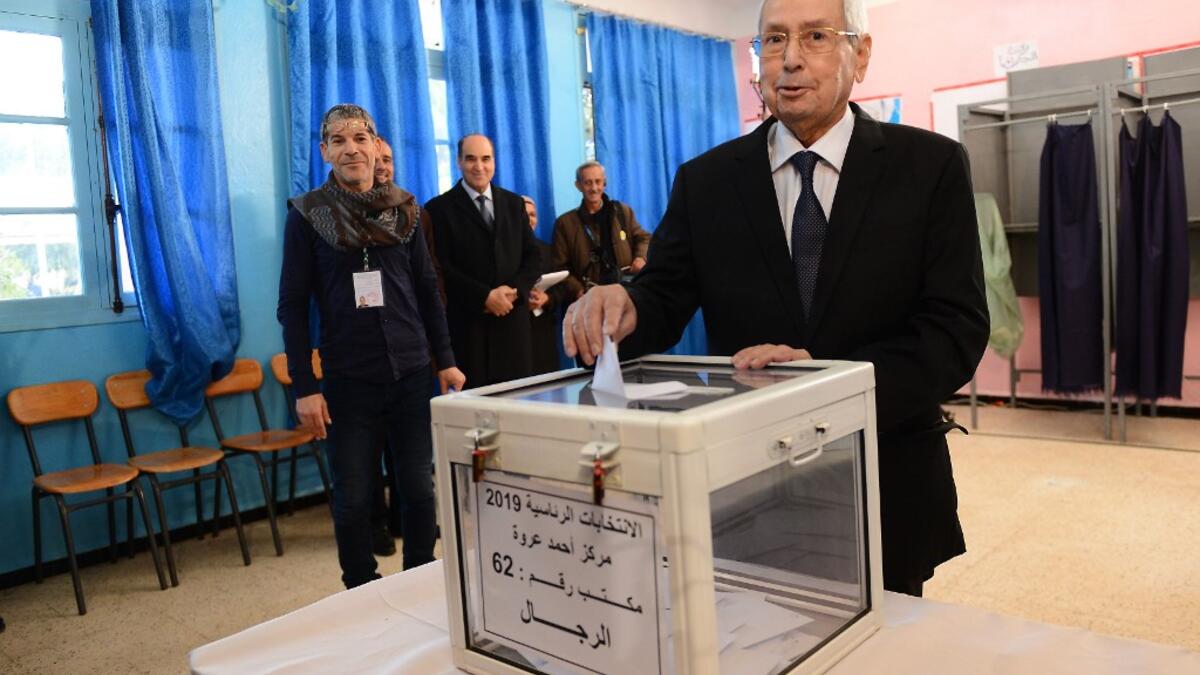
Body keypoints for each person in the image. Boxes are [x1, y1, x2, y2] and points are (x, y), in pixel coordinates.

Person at [562, 0, 989, 597]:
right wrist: (624, 307)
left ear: (859, 55)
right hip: (748, 483)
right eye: (773, 40)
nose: (790, 59)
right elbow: (664, 296)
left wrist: (822, 385)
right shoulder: (707, 180)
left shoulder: (930, 166)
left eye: (815, 36)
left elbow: (956, 331)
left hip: (884, 471)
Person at [277, 104, 465, 589]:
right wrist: (305, 386)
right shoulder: (305, 216)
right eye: (338, 140)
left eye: (360, 138)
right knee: (354, 497)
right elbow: (293, 307)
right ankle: (360, 589)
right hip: (347, 381)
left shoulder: (405, 208)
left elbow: (427, 289)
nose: (350, 148)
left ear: (376, 146)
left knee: (419, 493)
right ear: (325, 152)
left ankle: (421, 581)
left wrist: (445, 360)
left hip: (410, 374)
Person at [423, 134, 541, 387]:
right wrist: (484, 297)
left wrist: (514, 293)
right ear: (458, 161)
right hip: (469, 332)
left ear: (494, 162)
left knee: (518, 413)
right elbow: (442, 268)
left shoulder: (513, 204)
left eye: (485, 159)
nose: (479, 166)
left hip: (513, 331)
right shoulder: (438, 209)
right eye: (471, 159)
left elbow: (533, 257)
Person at [552, 161, 650, 301]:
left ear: (605, 183)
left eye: (598, 181)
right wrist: (578, 290)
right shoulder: (565, 223)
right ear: (578, 185)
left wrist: (641, 257)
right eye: (588, 183)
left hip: (626, 292)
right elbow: (559, 267)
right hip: (589, 298)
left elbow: (643, 238)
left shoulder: (622, 211)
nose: (594, 188)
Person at [523, 195, 565, 375]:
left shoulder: (547, 250)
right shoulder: (501, 252)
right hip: (515, 334)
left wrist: (547, 298)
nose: (529, 220)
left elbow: (562, 289)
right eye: (524, 215)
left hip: (543, 334)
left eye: (533, 215)